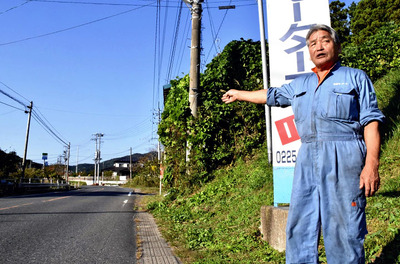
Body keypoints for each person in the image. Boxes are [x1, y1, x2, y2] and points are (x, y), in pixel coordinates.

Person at [222, 24, 385, 264]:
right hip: (307, 158)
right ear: (308, 52)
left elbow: (371, 121)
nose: (319, 46)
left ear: (337, 46)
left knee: (344, 226)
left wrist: (371, 164)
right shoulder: (301, 84)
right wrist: (239, 93)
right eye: (313, 43)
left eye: (325, 40)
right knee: (300, 224)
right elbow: (272, 95)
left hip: (345, 156)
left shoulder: (355, 77)